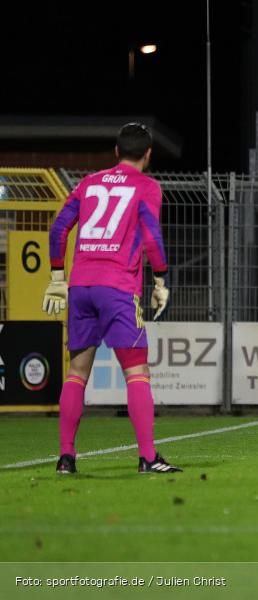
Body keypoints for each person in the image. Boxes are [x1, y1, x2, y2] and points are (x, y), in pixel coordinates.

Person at [43, 122, 181, 474]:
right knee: (137, 372)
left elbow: (59, 228)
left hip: (80, 286)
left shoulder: (88, 183)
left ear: (116, 152)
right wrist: (161, 278)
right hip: (118, 287)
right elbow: (151, 236)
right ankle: (148, 457)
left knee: (76, 373)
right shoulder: (147, 186)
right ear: (148, 155)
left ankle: (65, 458)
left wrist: (57, 275)